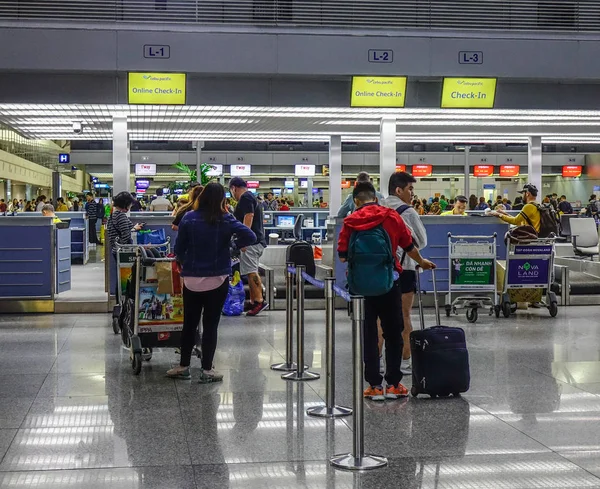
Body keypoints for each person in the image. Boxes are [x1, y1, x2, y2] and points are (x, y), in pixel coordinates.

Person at [338, 182, 435, 401]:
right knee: (393, 332)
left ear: (356, 201)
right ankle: (393, 384)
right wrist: (423, 262)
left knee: (370, 333)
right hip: (390, 282)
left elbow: (343, 256)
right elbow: (409, 247)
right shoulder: (391, 217)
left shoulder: (350, 221)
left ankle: (373, 385)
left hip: (361, 287)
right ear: (375, 197)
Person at [168, 183, 257, 383]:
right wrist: (233, 246)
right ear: (222, 200)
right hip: (218, 279)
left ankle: (183, 367)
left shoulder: (189, 218)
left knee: (189, 324)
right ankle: (207, 370)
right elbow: (250, 235)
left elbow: (179, 247)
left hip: (191, 279)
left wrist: (184, 263)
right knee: (211, 325)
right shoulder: (226, 219)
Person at [384, 172, 429, 373]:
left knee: (379, 317)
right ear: (398, 190)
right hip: (405, 269)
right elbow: (421, 241)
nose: (412, 194)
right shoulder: (408, 212)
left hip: (381, 270)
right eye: (410, 189)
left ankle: (379, 362)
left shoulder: (377, 208)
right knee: (404, 316)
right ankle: (404, 360)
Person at [229, 177, 269, 316]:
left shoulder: (245, 197)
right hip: (254, 242)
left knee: (252, 272)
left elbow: (249, 216)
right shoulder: (250, 196)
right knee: (249, 271)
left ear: (234, 188)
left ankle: (259, 300)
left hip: (252, 243)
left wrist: (244, 238)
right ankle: (253, 301)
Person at [107, 192, 143, 293]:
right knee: (126, 277)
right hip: (123, 250)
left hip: (117, 249)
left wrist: (133, 228)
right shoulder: (121, 216)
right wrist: (133, 229)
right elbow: (126, 235)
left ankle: (121, 300)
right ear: (125, 204)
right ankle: (124, 299)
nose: (131, 206)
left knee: (121, 276)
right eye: (130, 204)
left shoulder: (113, 215)